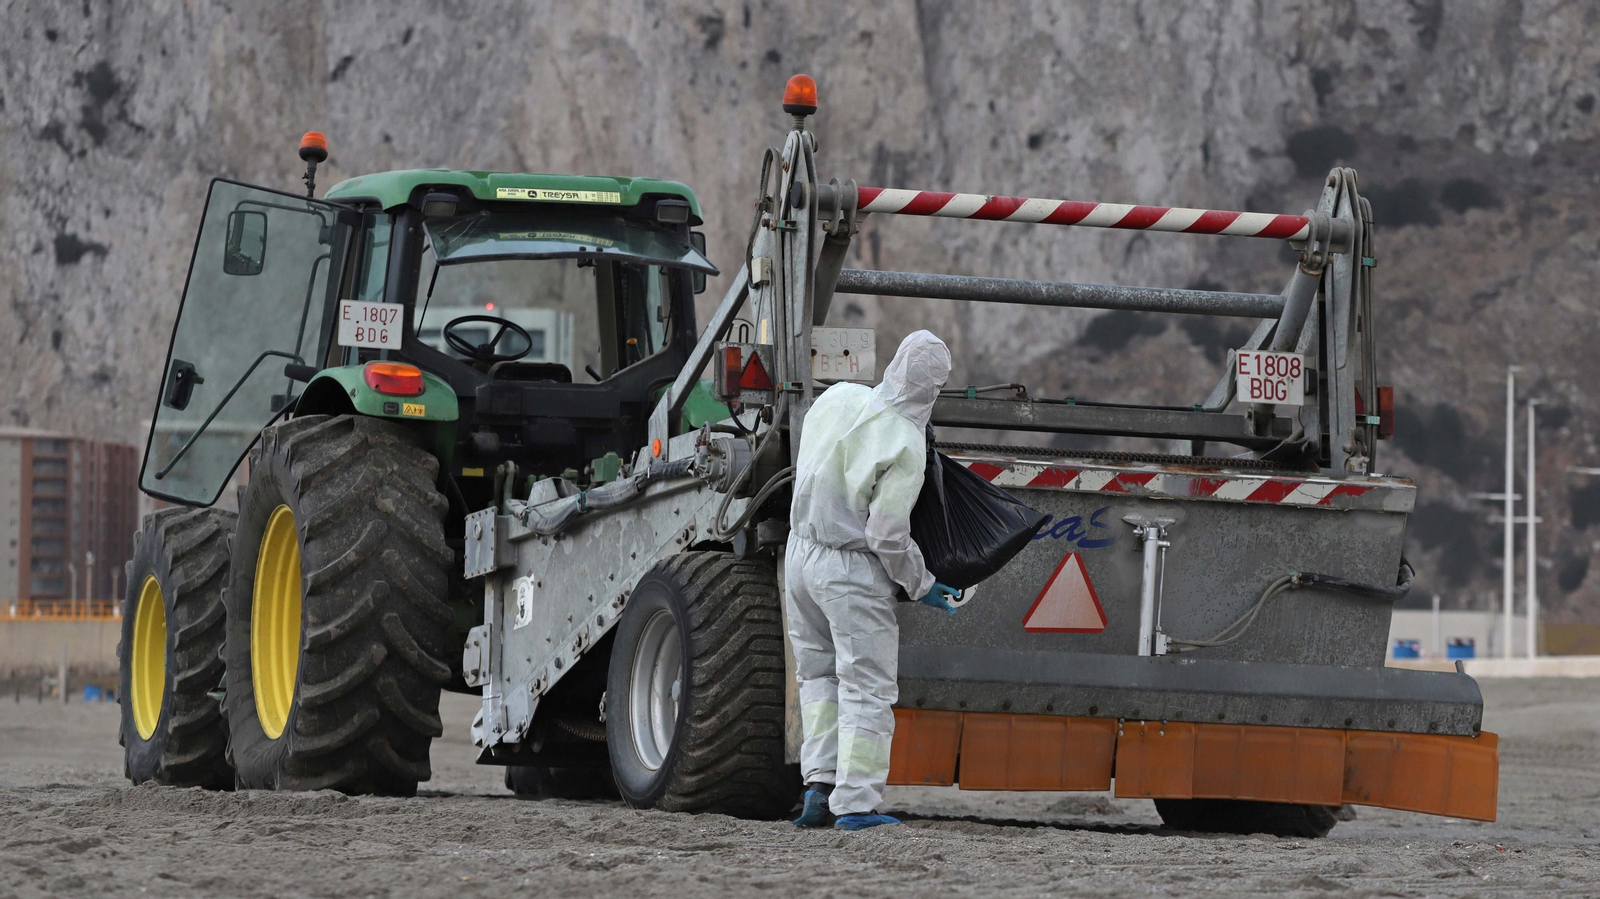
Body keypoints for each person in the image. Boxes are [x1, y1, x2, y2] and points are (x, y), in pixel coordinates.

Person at [784, 330, 961, 831]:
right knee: (867, 688)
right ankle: (856, 805)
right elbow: (886, 535)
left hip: (800, 557)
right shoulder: (904, 441)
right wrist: (923, 584)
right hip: (849, 571)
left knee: (817, 677)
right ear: (936, 387)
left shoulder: (839, 397)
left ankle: (818, 788)